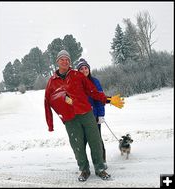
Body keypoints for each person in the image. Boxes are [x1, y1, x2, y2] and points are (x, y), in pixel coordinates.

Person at [44, 50, 124, 182]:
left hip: (86, 113)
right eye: (62, 59)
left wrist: (108, 100)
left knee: (95, 141)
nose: (65, 61)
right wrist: (50, 124)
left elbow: (93, 91)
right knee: (77, 146)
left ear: (70, 62)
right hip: (70, 119)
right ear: (57, 62)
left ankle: (100, 168)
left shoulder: (77, 75)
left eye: (67, 59)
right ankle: (84, 170)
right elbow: (47, 102)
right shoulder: (52, 82)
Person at [76, 58, 107, 168]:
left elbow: (100, 99)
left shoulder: (94, 81)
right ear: (78, 71)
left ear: (89, 69)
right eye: (81, 69)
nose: (84, 70)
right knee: (82, 140)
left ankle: (102, 161)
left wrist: (101, 115)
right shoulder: (76, 84)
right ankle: (85, 165)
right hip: (81, 117)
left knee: (97, 140)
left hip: (94, 116)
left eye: (86, 68)